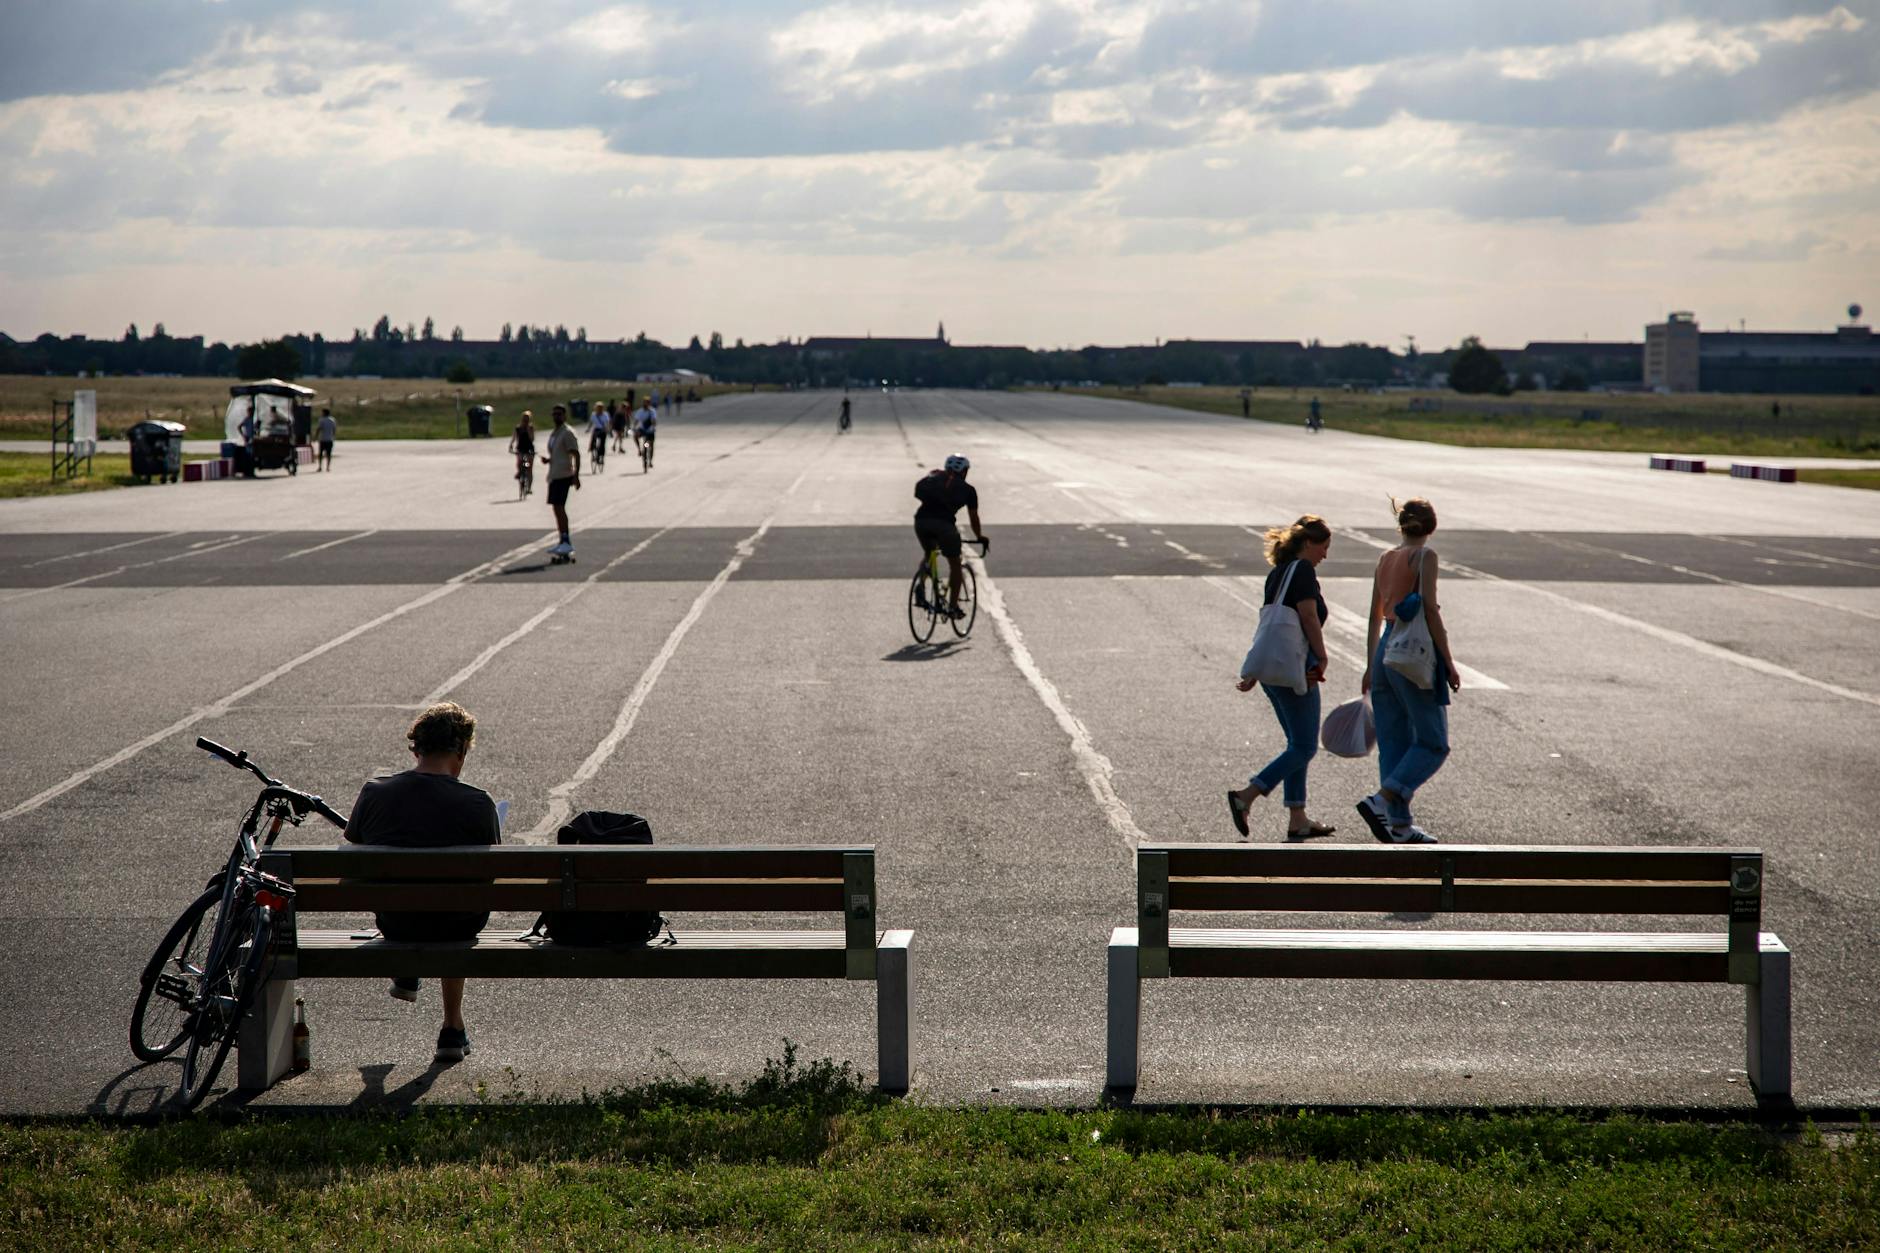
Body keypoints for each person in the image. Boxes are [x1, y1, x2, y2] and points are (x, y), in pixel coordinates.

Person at [342, 702, 500, 1063]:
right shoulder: (478, 803)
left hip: (397, 921)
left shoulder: (375, 792)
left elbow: (356, 851)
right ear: (460, 750)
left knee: (411, 896)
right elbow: (486, 874)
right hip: (458, 923)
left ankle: (408, 966)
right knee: (453, 904)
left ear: (416, 748)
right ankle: (451, 1026)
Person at [1227, 516, 1338, 841]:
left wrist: (1255, 671)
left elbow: (1269, 627)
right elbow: (1306, 615)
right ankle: (1246, 795)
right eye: (1324, 547)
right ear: (1308, 543)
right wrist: (1322, 654)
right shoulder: (1303, 570)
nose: (1325, 555)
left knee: (1297, 745)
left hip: (1274, 672)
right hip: (1296, 669)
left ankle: (1298, 819)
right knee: (1304, 747)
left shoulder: (1277, 573)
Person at [1357, 497, 1460, 845]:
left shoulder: (1385, 558)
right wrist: (1447, 659)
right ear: (1431, 527)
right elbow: (1429, 609)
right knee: (1434, 742)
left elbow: (1374, 615)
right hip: (1412, 649)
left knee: (1393, 742)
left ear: (1400, 524)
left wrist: (1370, 665)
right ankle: (1383, 800)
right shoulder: (1424, 557)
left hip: (1386, 647)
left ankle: (1398, 825)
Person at [913, 454, 987, 619]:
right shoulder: (968, 490)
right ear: (964, 471)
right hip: (944, 526)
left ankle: (920, 586)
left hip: (921, 521)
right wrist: (980, 536)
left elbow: (918, 492)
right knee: (955, 563)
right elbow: (973, 518)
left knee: (929, 552)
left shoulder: (934, 477)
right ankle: (953, 607)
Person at [541, 405, 581, 556]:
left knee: (560, 507)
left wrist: (576, 475)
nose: (556, 417)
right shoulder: (556, 433)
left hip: (563, 475)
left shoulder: (567, 433)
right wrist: (550, 460)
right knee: (556, 508)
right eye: (554, 414)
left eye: (559, 414)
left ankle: (566, 541)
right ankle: (562, 540)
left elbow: (575, 454)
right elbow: (559, 453)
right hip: (554, 474)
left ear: (565, 416)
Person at [509, 410, 536, 492]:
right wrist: (511, 445)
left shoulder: (531, 428)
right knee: (519, 461)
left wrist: (528, 430)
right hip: (520, 448)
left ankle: (529, 488)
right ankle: (520, 472)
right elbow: (514, 437)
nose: (525, 420)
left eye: (527, 418)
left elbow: (532, 439)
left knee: (529, 469)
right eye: (524, 418)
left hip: (529, 449)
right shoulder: (518, 428)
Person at [635, 399, 658, 467]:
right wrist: (634, 427)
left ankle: (650, 460)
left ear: (649, 404)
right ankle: (639, 449)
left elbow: (654, 421)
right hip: (643, 430)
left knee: (650, 445)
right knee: (635, 436)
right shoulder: (640, 411)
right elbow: (636, 420)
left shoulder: (652, 411)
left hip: (650, 431)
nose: (645, 404)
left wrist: (653, 426)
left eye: (647, 403)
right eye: (644, 403)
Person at [315, 407, 337, 472]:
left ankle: (320, 467)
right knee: (329, 454)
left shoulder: (322, 420)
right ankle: (328, 467)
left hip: (323, 439)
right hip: (330, 439)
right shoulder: (332, 420)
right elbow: (334, 429)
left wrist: (315, 437)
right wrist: (333, 436)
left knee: (320, 454)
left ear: (324, 413)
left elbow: (319, 429)